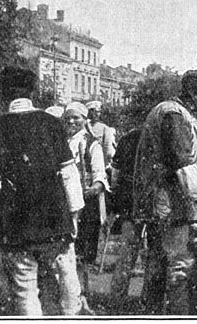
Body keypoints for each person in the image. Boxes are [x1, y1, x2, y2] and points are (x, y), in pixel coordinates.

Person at [0, 66, 84, 316]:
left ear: (4, 94)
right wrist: (74, 215)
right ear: (33, 92)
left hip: (16, 223)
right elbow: (69, 173)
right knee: (66, 278)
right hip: (56, 219)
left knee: (25, 288)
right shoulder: (52, 124)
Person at [133, 69, 197, 314]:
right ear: (191, 93)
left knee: (158, 261)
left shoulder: (172, 112)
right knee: (179, 263)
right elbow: (182, 161)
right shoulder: (174, 115)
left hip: (160, 200)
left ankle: (152, 312)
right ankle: (177, 314)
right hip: (168, 202)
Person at [62, 102, 110, 311]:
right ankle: (68, 297)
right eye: (68, 118)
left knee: (82, 253)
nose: (72, 122)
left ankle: (84, 298)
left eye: (76, 118)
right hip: (65, 202)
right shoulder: (60, 141)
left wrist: (95, 187)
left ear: (84, 120)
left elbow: (99, 173)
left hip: (85, 204)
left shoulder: (91, 144)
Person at [108, 128, 144, 303]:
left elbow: (115, 175)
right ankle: (148, 299)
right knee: (148, 251)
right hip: (143, 200)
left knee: (127, 250)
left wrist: (117, 195)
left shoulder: (128, 138)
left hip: (129, 200)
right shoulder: (160, 136)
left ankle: (117, 297)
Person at [86, 100, 115, 168]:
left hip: (98, 162)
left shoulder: (104, 128)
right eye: (93, 111)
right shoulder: (83, 126)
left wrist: (105, 164)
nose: (96, 114)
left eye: (98, 112)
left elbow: (107, 149)